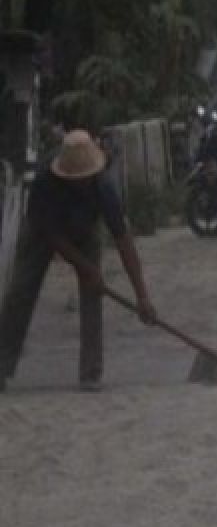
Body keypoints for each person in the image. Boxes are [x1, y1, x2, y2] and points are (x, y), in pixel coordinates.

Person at [0, 130, 157, 393]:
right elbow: (49, 234)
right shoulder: (45, 181)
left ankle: (90, 373)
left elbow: (123, 241)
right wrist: (84, 267)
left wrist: (142, 297)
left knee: (92, 294)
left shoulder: (103, 187)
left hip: (84, 229)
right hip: (42, 232)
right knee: (20, 293)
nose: (80, 183)